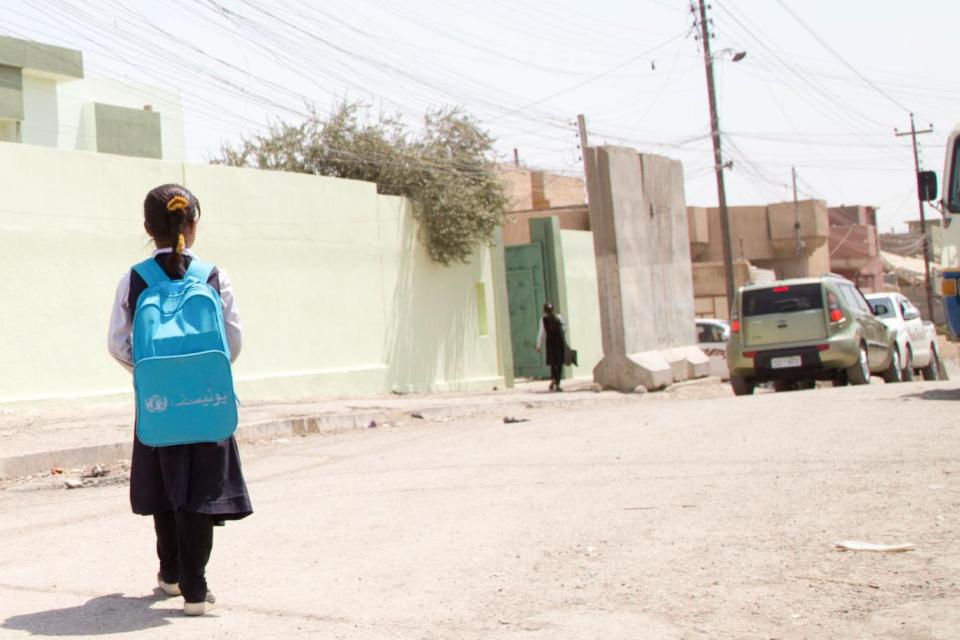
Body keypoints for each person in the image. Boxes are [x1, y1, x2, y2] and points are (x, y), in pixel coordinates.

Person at [107, 184, 251, 616]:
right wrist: (199, 371)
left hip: (157, 403)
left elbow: (117, 344)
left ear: (148, 228)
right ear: (192, 224)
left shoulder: (134, 278)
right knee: (202, 491)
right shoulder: (212, 275)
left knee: (166, 486)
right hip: (208, 400)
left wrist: (154, 373)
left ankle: (169, 574)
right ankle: (195, 588)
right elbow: (234, 342)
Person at [535, 302, 566, 392]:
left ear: (544, 311)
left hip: (550, 343)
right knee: (559, 363)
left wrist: (538, 345)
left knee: (553, 363)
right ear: (553, 309)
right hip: (559, 343)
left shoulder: (543, 320)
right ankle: (557, 383)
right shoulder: (559, 317)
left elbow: (541, 333)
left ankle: (553, 380)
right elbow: (564, 329)